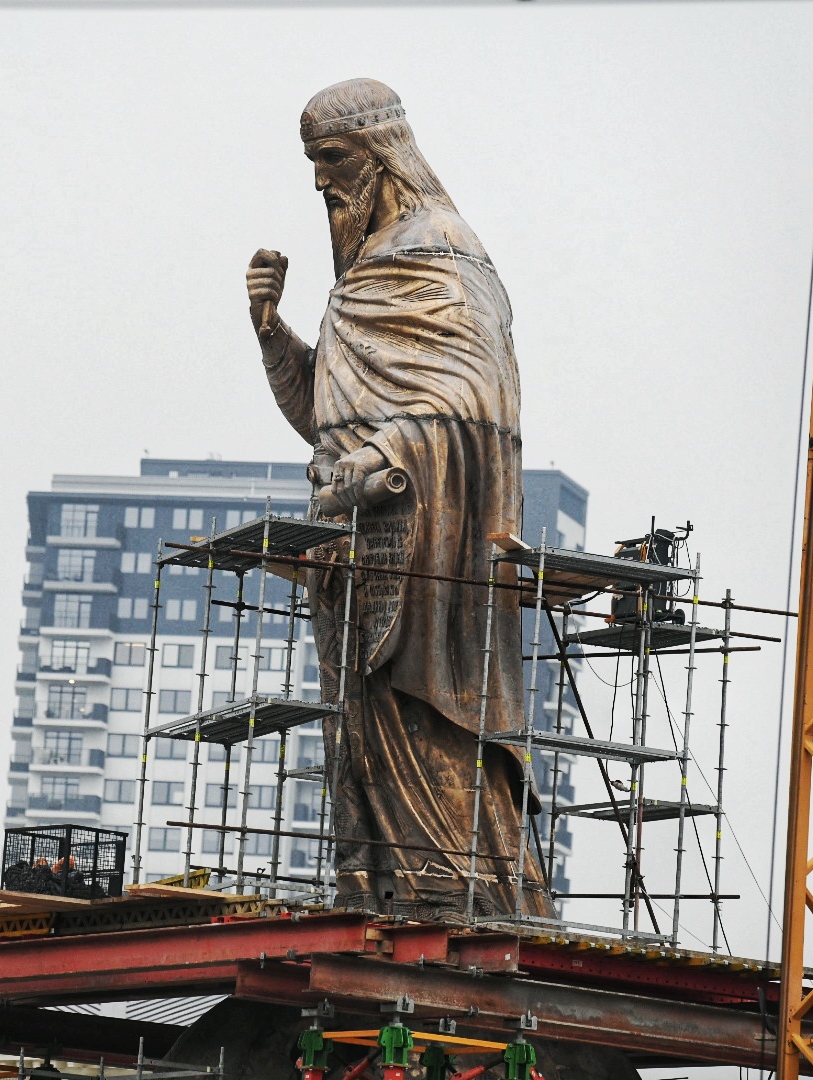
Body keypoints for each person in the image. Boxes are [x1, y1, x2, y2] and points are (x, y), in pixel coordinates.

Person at [246, 77, 550, 920]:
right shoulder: (367, 274)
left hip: (425, 553)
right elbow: (326, 415)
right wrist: (274, 332)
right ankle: (376, 885)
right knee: (359, 731)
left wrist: (382, 459)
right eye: (310, 165)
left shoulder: (439, 249)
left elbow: (469, 403)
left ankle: (459, 889)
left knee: (425, 733)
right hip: (355, 547)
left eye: (331, 161)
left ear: (381, 155)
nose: (319, 185)